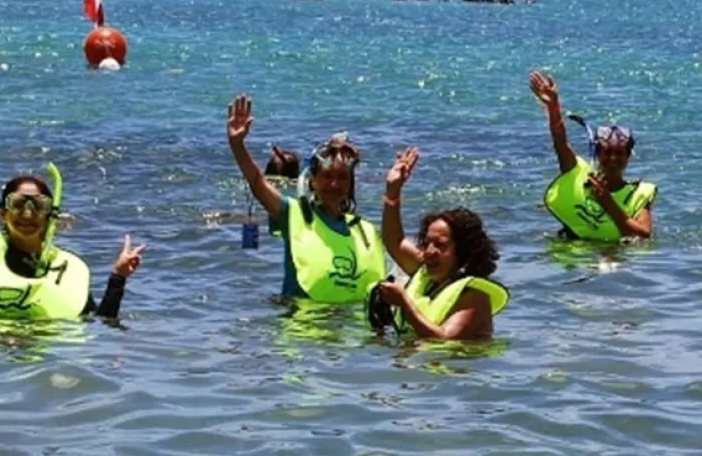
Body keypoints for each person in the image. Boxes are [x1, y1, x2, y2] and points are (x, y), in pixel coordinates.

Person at [226, 95, 387, 305]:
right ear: (313, 182)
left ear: (350, 184)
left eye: (342, 178)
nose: (334, 185)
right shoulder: (294, 215)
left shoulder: (365, 232)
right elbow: (257, 183)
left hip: (349, 331)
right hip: (300, 332)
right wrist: (237, 144)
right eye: (327, 177)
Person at [0, 164, 143, 320]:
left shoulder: (68, 270)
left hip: (44, 350)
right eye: (18, 204)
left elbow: (101, 322)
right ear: (3, 214)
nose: (27, 214)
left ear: (50, 216)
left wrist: (118, 277)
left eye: (39, 206)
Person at [371, 147, 508, 339]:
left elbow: (444, 339)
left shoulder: (475, 296)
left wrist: (404, 303)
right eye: (426, 243)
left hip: (458, 367)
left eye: (440, 245)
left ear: (464, 251)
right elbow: (394, 241)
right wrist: (393, 190)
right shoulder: (426, 274)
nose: (429, 252)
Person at [529, 71, 656, 241]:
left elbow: (644, 235)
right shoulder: (577, 172)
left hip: (614, 258)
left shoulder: (637, 195)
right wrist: (553, 107)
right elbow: (559, 140)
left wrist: (607, 201)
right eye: (607, 153)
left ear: (628, 156)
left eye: (619, 153)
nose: (613, 159)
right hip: (569, 258)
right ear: (597, 153)